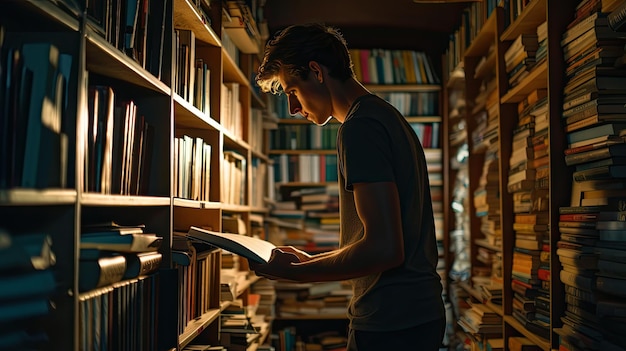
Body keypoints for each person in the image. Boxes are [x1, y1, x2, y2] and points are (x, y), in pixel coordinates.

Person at [252, 23, 445, 351]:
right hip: (413, 314)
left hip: (392, 321)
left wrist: (298, 274)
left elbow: (384, 248)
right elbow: (375, 239)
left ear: (316, 71)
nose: (294, 109)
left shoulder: (360, 128)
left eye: (292, 92)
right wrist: (307, 261)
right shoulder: (384, 115)